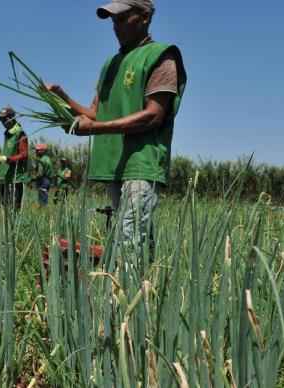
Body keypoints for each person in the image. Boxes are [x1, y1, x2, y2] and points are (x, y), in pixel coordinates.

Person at [46, 0, 187, 248]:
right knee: (127, 239)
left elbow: (153, 115)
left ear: (144, 17)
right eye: (113, 21)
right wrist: (62, 100)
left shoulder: (162, 56)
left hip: (142, 162)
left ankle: (129, 286)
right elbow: (95, 113)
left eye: (122, 19)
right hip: (114, 164)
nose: (116, 26)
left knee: (130, 239)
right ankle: (140, 284)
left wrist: (94, 129)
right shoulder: (111, 64)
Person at [0, 106, 29, 210]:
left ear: (12, 118)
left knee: (13, 209)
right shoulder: (8, 133)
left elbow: (24, 154)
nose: (3, 122)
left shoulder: (20, 133)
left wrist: (7, 159)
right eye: (1, 120)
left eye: (4, 119)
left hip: (15, 178)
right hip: (5, 177)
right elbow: (8, 153)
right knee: (4, 207)